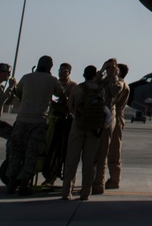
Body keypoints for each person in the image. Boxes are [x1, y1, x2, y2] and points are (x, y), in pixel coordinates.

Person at [7, 55, 66, 195]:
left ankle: (11, 183)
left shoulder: (26, 77)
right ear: (50, 67)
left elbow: (18, 92)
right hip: (39, 121)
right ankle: (23, 184)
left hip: (22, 120)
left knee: (16, 152)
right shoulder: (52, 80)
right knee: (31, 153)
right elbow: (62, 94)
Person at [62, 65, 106, 201]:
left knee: (71, 160)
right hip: (93, 129)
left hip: (78, 126)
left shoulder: (77, 89)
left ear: (83, 74)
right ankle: (85, 193)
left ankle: (66, 192)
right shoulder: (100, 90)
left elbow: (70, 107)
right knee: (89, 162)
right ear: (95, 76)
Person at [90, 58, 123, 194]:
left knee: (103, 153)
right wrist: (101, 71)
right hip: (96, 118)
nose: (109, 70)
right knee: (93, 153)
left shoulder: (118, 82)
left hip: (107, 120)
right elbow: (91, 86)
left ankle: (98, 184)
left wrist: (114, 77)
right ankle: (92, 180)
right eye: (107, 67)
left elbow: (115, 92)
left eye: (111, 67)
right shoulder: (101, 81)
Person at [41, 62, 77, 186]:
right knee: (49, 149)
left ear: (69, 73)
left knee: (61, 152)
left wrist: (62, 102)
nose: (61, 73)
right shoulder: (54, 83)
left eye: (65, 71)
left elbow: (71, 105)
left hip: (64, 121)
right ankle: (49, 176)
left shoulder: (72, 86)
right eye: (60, 70)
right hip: (51, 118)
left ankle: (66, 180)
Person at [103, 63, 130, 190]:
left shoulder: (120, 85)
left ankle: (114, 179)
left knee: (113, 150)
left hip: (115, 117)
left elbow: (112, 99)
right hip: (116, 117)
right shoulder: (122, 84)